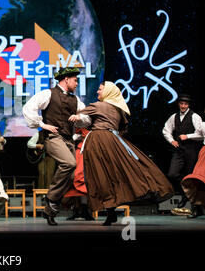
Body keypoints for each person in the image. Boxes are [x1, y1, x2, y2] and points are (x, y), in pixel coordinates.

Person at [71, 81, 173, 225]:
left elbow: (79, 118)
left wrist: (77, 117)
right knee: (118, 173)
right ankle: (114, 209)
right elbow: (123, 127)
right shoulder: (118, 109)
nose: (97, 92)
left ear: (108, 92)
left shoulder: (98, 106)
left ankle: (110, 211)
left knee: (101, 176)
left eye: (100, 90)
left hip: (99, 140)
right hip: (114, 141)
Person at [22, 67, 91, 225]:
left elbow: (87, 119)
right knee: (70, 163)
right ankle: (51, 199)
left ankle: (50, 210)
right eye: (75, 80)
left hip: (68, 139)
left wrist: (79, 116)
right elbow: (28, 108)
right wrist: (42, 125)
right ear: (66, 79)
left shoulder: (75, 100)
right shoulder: (48, 94)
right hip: (53, 137)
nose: (77, 83)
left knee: (73, 175)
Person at [162, 94, 203, 208]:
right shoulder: (174, 117)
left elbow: (201, 134)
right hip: (179, 149)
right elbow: (166, 130)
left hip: (192, 149)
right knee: (172, 174)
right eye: (181, 103)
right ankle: (184, 194)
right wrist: (171, 141)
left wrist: (188, 136)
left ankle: (195, 206)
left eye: (185, 104)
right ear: (179, 104)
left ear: (188, 105)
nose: (183, 106)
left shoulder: (195, 116)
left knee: (191, 177)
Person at [63, 127, 94, 221]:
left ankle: (85, 210)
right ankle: (76, 210)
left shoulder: (89, 123)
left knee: (84, 181)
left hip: (88, 151)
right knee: (75, 180)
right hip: (78, 151)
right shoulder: (76, 124)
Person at [180, 115, 205, 218]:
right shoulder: (203, 124)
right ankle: (197, 208)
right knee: (198, 179)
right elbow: (199, 135)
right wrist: (188, 136)